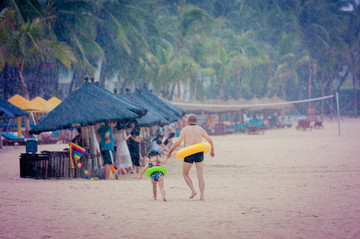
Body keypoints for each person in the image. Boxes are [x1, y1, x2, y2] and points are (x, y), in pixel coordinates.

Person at [165, 114, 215, 201]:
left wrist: (170, 152)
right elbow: (210, 140)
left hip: (188, 152)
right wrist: (212, 150)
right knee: (200, 176)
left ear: (188, 121)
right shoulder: (200, 129)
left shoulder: (185, 130)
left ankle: (193, 190)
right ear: (197, 121)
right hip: (199, 152)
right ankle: (202, 196)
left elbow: (177, 143)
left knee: (185, 174)